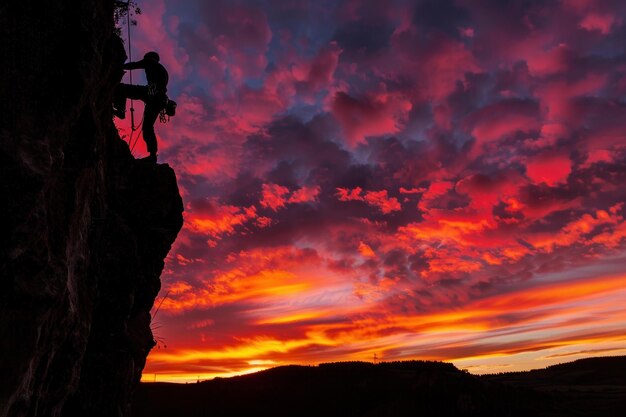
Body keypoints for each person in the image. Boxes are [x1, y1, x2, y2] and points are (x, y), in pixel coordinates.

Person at [113, 51, 169, 163]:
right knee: (148, 127)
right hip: (159, 99)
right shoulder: (163, 71)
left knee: (121, 88)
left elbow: (134, 65)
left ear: (149, 57)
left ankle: (120, 110)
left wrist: (120, 66)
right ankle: (153, 155)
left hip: (152, 93)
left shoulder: (150, 61)